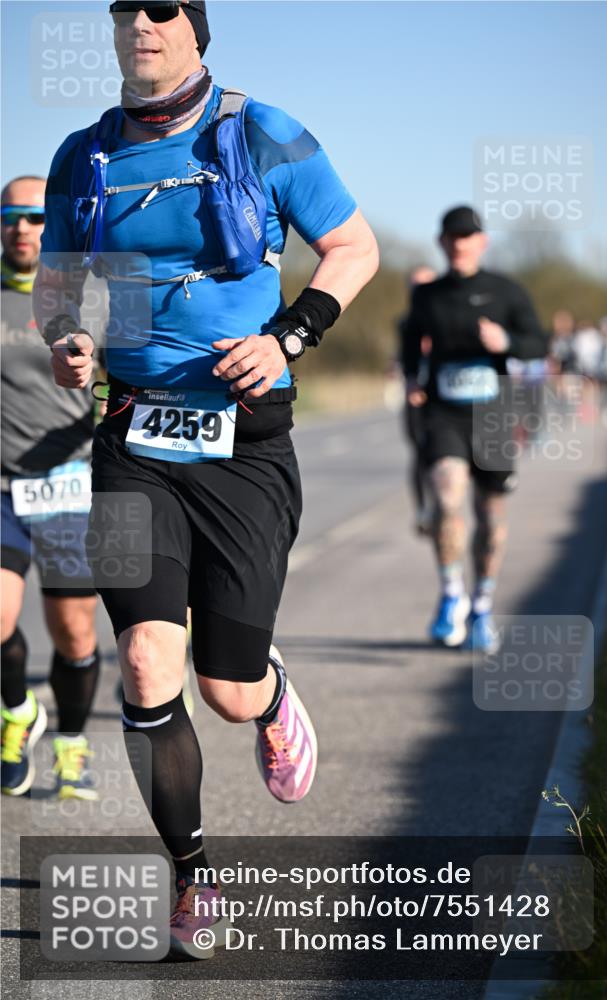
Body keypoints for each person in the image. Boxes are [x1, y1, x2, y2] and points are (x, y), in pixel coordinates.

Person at [34, 0, 378, 959]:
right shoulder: (82, 155)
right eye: (124, 7)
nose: (140, 19)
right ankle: (194, 878)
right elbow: (59, 296)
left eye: (163, 4)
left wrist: (289, 336)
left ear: (194, 26)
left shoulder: (261, 131)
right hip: (131, 435)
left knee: (223, 689)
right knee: (146, 662)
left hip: (244, 442)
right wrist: (69, 343)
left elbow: (354, 247)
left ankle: (267, 697)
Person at [400, 206, 547, 652]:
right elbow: (410, 341)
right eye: (453, 237)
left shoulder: (506, 292)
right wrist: (412, 377)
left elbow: (540, 342)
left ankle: (482, 606)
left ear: (482, 243)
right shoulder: (428, 296)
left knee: (491, 518)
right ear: (442, 243)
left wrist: (507, 343)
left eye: (469, 237)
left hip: (494, 415)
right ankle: (451, 596)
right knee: (446, 496)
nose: (461, 244)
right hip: (445, 412)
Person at [1, 176, 101, 800]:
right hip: (3, 488)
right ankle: (17, 711)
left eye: (35, 217)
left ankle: (70, 744)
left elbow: (127, 384)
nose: (22, 228)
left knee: (75, 635)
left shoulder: (90, 298)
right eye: (11, 217)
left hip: (70, 486)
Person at [398, 266, 437, 534]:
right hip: (415, 398)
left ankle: (443, 505)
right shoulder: (405, 323)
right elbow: (404, 358)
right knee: (420, 455)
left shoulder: (447, 317)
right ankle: (423, 509)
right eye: (415, 285)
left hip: (444, 400)